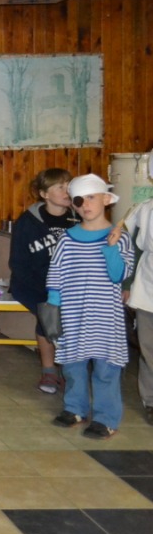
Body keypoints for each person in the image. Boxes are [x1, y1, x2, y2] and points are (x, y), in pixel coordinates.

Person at [47, 174, 134, 439]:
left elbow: (118, 275)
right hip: (72, 315)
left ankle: (106, 418)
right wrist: (54, 310)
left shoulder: (119, 238)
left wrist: (111, 248)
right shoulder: (66, 239)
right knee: (73, 364)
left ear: (106, 199)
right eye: (79, 200)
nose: (85, 205)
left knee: (106, 368)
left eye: (92, 197)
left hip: (105, 317)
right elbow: (56, 276)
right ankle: (75, 408)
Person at [9, 168, 78, 394]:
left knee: (72, 316)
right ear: (44, 194)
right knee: (48, 312)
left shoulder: (78, 218)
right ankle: (49, 371)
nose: (66, 191)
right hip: (32, 284)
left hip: (70, 285)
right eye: (60, 187)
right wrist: (47, 291)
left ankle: (70, 371)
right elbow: (18, 263)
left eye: (68, 186)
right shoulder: (27, 222)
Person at [119, 153, 153, 426]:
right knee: (149, 350)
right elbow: (130, 250)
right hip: (148, 290)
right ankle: (151, 401)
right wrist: (127, 285)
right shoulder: (144, 210)